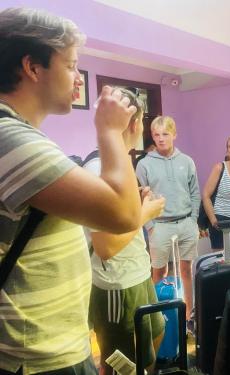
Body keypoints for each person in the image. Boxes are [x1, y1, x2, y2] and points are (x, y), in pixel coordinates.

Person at [0, 8, 142, 375]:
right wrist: (111, 133)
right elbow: (123, 215)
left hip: (53, 348)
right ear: (32, 67)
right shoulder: (9, 139)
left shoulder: (22, 137)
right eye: (71, 66)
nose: (79, 79)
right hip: (38, 357)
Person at [83, 89, 166, 375]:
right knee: (121, 363)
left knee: (156, 332)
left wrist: (137, 203)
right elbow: (105, 246)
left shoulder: (122, 162)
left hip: (138, 272)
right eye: (142, 122)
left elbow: (120, 218)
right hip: (117, 283)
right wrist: (146, 213)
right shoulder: (97, 169)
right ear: (134, 123)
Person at [136, 116, 200, 325]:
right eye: (156, 134)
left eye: (165, 134)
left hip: (186, 223)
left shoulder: (187, 161)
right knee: (159, 271)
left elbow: (195, 193)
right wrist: (150, 227)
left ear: (174, 134)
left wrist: (193, 220)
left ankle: (189, 316)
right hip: (160, 225)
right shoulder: (144, 165)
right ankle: (158, 318)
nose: (161, 139)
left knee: (186, 270)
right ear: (152, 136)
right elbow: (140, 198)